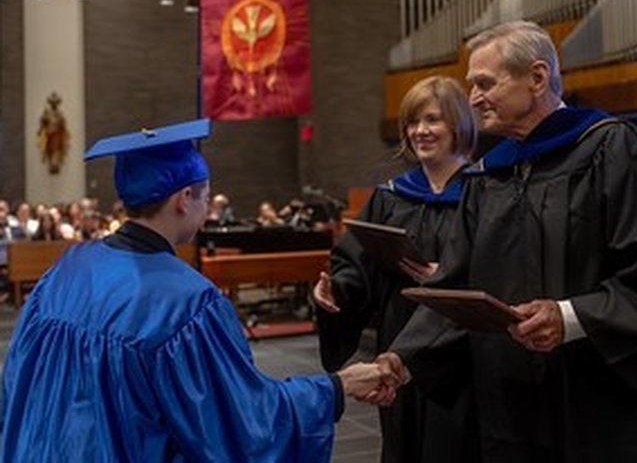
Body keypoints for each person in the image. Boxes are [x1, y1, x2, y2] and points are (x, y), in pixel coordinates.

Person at [375, 21, 637, 462]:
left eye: (485, 84)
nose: (472, 98)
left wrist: (568, 317)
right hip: (511, 404)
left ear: (537, 77)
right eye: (471, 85)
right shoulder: (488, 176)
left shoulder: (613, 150)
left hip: (600, 399)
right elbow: (456, 285)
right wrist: (401, 357)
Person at [1, 119, 396, 462]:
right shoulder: (186, 305)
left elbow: (15, 384)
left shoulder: (64, 270)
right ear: (183, 198)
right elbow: (244, 426)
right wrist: (336, 389)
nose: (206, 207)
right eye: (205, 196)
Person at [312, 76, 481, 463]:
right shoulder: (391, 197)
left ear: (458, 125)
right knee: (403, 442)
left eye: (432, 120)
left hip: (462, 351)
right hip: (399, 338)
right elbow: (357, 265)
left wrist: (450, 274)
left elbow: (506, 265)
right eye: (413, 122)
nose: (420, 131)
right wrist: (335, 289)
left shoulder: (484, 191)